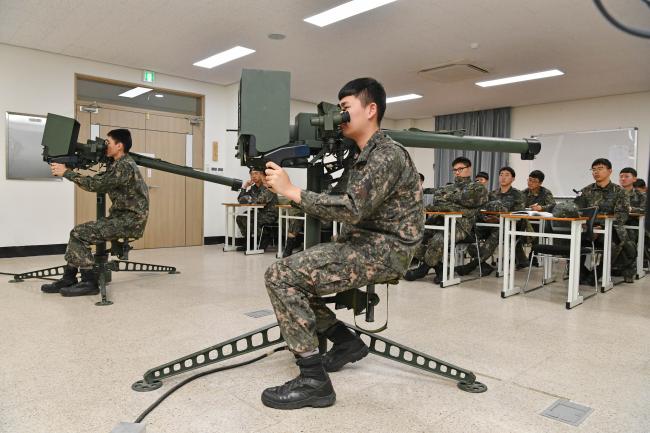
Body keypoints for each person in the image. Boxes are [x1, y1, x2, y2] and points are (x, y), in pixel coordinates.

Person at [260, 77, 423, 409]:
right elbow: (334, 198)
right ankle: (346, 343)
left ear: (371, 109)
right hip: (364, 243)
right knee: (295, 280)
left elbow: (350, 207)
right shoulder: (361, 155)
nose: (341, 116)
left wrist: (292, 190)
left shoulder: (387, 154)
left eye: (346, 109)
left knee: (280, 275)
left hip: (385, 250)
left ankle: (313, 381)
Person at [42, 129, 149, 296]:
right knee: (78, 232)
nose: (105, 145)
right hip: (122, 217)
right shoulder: (118, 163)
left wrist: (67, 173)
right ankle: (69, 278)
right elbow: (99, 179)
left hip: (130, 221)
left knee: (79, 233)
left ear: (119, 146)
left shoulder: (124, 166)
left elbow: (97, 185)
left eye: (108, 143)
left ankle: (89, 282)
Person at [404, 156, 488, 282]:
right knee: (412, 237)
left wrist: (448, 198)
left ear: (469, 169)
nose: (457, 172)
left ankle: (422, 270)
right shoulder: (448, 187)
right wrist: (452, 200)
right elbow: (438, 200)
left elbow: (469, 201)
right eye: (455, 170)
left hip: (460, 225)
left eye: (460, 169)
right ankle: (440, 268)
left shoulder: (478, 188)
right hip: (438, 221)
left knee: (438, 240)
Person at [575, 158, 634, 283]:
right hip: (587, 227)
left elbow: (621, 216)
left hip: (610, 228)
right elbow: (577, 212)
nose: (596, 172)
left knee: (616, 241)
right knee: (571, 238)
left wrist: (601, 228)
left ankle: (597, 273)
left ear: (610, 171)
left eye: (600, 169)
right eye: (594, 169)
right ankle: (579, 271)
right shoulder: (585, 191)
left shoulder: (620, 192)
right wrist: (588, 227)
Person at [457, 166, 525, 275]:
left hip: (509, 227)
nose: (503, 177)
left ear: (513, 179)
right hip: (489, 224)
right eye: (501, 174)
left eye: (507, 175)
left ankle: (471, 265)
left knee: (497, 233)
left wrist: (499, 219)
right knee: (469, 234)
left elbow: (519, 214)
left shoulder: (518, 195)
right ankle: (484, 266)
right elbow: (482, 209)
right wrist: (487, 219)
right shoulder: (492, 194)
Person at [236, 167, 278, 251]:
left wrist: (249, 199)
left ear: (262, 175)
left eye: (256, 173)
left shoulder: (268, 186)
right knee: (240, 217)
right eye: (251, 174)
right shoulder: (253, 188)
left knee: (249, 218)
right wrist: (244, 187)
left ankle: (265, 237)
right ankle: (249, 242)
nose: (253, 176)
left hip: (269, 214)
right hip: (257, 212)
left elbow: (260, 201)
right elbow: (241, 200)